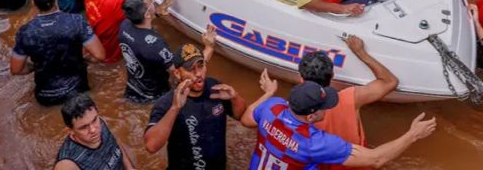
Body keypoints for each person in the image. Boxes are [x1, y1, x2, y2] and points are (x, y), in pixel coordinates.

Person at [241, 76, 437, 168]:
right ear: (310, 117)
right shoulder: (314, 143)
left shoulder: (272, 107)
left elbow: (246, 118)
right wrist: (413, 134)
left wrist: (267, 93)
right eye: (324, 106)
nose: (329, 107)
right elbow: (376, 159)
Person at [298, 35, 400, 166]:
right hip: (358, 164)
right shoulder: (351, 97)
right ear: (332, 76)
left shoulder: (294, 109)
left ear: (301, 78)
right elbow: (390, 81)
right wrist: (360, 52)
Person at [144, 42, 245, 169]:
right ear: (177, 73)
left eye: (201, 66)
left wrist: (235, 97)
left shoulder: (215, 87)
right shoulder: (167, 103)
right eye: (190, 68)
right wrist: (175, 109)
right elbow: (151, 146)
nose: (198, 73)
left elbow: (240, 115)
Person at [11, 0, 105, 107]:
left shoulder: (26, 32)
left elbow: (16, 69)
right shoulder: (76, 21)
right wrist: (82, 59)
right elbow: (100, 55)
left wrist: (36, 66)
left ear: (33, 3)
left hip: (45, 96)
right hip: (77, 91)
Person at [84, 0, 194, 64]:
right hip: (112, 57)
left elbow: (114, 12)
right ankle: (157, 12)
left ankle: (157, 12)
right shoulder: (114, 0)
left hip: (93, 48)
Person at [54, 93, 136, 170]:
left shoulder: (101, 122)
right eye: (84, 127)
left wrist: (130, 168)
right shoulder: (67, 165)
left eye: (94, 120)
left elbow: (116, 145)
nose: (93, 130)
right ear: (70, 131)